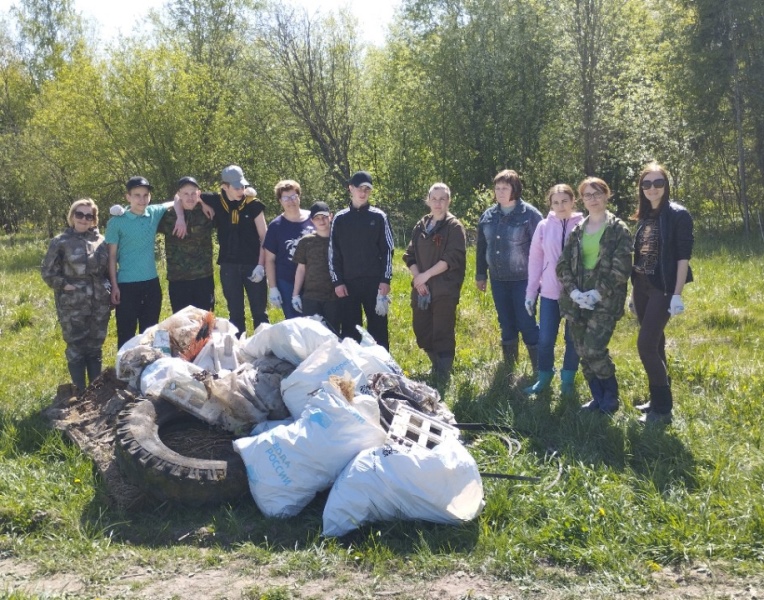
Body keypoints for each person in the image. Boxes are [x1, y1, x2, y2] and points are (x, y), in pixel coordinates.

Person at [557, 177, 632, 414]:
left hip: (605, 301)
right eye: (588, 195)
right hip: (578, 302)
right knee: (580, 350)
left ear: (607, 195)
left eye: (597, 193)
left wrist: (597, 294)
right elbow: (562, 265)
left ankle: (611, 398)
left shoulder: (618, 229)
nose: (593, 199)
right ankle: (597, 397)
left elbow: (621, 268)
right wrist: (574, 292)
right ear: (582, 199)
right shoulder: (578, 230)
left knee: (593, 349)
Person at [630, 163, 694, 424]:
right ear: (641, 188)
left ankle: (664, 410)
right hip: (642, 286)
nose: (652, 188)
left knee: (645, 346)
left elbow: (682, 257)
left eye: (658, 183)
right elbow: (640, 255)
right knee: (656, 343)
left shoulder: (678, 214)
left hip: (663, 287)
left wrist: (677, 294)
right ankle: (656, 400)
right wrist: (632, 292)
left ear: (666, 186)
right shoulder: (645, 215)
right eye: (647, 184)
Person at [476, 169, 543, 376]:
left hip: (524, 280)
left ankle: (540, 369)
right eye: (497, 188)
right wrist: (480, 274)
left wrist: (540, 279)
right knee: (506, 322)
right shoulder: (488, 216)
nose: (500, 192)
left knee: (526, 322)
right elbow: (481, 247)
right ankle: (509, 369)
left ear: (515, 189)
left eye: (505, 188)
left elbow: (541, 248)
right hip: (498, 279)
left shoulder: (530, 215)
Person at [41, 199, 111, 392]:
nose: (83, 219)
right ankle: (80, 393)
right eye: (79, 214)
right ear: (72, 216)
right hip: (73, 304)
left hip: (99, 303)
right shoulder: (60, 242)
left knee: (95, 347)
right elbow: (48, 272)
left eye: (89, 216)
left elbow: (109, 271)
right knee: (76, 347)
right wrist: (65, 285)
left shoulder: (102, 241)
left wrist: (109, 291)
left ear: (94, 219)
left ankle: (95, 393)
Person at [524, 184, 584, 395]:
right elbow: (535, 261)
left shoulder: (584, 225)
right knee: (545, 338)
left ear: (573, 201)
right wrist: (531, 294)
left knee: (572, 339)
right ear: (550, 204)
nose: (560, 206)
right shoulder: (543, 226)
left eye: (564, 201)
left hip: (576, 294)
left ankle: (567, 380)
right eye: (555, 202)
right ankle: (544, 378)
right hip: (549, 293)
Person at [106, 176, 180, 349]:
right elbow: (111, 257)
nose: (142, 199)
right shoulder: (116, 222)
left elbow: (178, 198)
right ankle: (124, 373)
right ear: (128, 197)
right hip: (126, 285)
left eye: (145, 195)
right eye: (137, 195)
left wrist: (182, 216)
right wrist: (114, 286)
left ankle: (145, 372)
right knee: (126, 334)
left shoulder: (153, 213)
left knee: (149, 333)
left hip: (151, 284)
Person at [402, 183, 466, 380]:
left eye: (442, 199)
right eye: (434, 198)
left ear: (448, 201)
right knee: (421, 330)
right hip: (422, 289)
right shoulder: (421, 225)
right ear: (428, 200)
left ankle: (443, 374)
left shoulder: (454, 227)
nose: (438, 203)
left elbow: (451, 259)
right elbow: (409, 255)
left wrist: (426, 276)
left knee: (442, 330)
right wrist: (418, 279)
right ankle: (435, 364)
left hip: (444, 288)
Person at [329, 171, 394, 349]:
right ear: (351, 189)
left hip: (375, 283)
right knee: (350, 330)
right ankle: (354, 368)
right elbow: (333, 252)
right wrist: (337, 282)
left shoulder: (379, 216)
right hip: (348, 284)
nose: (363, 193)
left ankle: (382, 368)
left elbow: (388, 249)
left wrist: (385, 279)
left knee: (378, 328)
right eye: (359, 188)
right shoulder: (340, 219)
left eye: (367, 189)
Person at [200, 165, 268, 337]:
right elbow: (184, 195)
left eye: (243, 186)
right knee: (235, 314)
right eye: (236, 187)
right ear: (225, 187)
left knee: (260, 313)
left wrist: (261, 265)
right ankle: (238, 350)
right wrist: (202, 204)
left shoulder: (253, 205)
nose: (241, 190)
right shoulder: (216, 201)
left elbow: (264, 237)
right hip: (229, 265)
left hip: (253, 264)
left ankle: (265, 349)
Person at [158, 176, 215, 313]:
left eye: (193, 193)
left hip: (203, 278)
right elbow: (143, 211)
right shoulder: (168, 215)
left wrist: (202, 202)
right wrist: (180, 216)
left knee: (205, 323)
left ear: (199, 194)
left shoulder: (206, 213)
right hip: (178, 280)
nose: (190, 198)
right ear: (178, 195)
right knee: (181, 324)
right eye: (185, 194)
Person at [263, 180, 314, 319]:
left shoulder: (313, 218)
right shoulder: (276, 226)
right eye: (286, 198)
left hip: (314, 281)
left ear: (299, 197)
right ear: (280, 201)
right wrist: (273, 288)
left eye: (293, 196)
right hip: (287, 282)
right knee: (295, 324)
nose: (290, 201)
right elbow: (270, 260)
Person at [291, 201, 341, 333]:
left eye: (324, 217)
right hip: (311, 297)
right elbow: (301, 269)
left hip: (334, 298)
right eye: (317, 218)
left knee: (333, 334)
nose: (321, 221)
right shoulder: (306, 242)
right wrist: (295, 295)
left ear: (330, 216)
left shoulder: (339, 240)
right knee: (311, 336)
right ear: (312, 221)